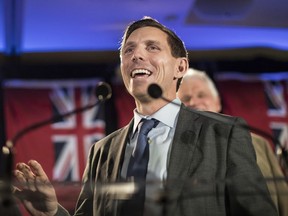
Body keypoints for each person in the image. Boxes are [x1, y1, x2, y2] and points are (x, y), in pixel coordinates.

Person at [13, 17, 278, 216]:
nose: (137, 55)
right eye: (128, 51)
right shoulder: (102, 152)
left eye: (152, 47)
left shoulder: (223, 134)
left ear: (180, 66)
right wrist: (52, 211)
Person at [177, 67, 288, 216]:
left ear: (217, 102)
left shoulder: (258, 143)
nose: (194, 102)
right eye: (186, 98)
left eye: (201, 95)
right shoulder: (171, 148)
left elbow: (283, 200)